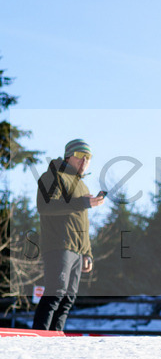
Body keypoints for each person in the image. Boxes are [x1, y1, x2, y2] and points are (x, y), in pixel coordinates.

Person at [32, 139, 105, 331]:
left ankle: (55, 340)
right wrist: (82, 203)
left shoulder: (83, 187)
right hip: (58, 245)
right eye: (81, 156)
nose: (85, 162)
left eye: (88, 158)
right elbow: (45, 206)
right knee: (55, 294)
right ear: (68, 156)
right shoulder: (52, 176)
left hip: (77, 251)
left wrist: (87, 253)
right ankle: (39, 338)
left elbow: (83, 223)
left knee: (68, 299)